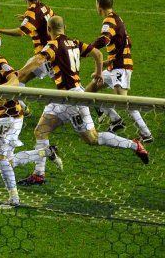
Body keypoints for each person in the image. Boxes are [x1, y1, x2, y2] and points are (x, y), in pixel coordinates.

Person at [16, 15, 149, 186]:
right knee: (41, 131)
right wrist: (99, 73)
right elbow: (98, 54)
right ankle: (38, 174)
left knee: (92, 139)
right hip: (68, 97)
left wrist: (19, 73)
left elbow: (38, 59)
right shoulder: (76, 43)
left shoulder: (53, 45)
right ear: (64, 27)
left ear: (49, 30)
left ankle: (134, 145)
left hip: (72, 99)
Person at [0, 31, 63, 209]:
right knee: (8, 160)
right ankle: (46, 152)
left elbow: (14, 79)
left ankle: (14, 199)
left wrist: (2, 92)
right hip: (4, 115)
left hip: (10, 116)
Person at [89, 0, 153, 143]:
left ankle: (146, 133)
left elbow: (104, 39)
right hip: (115, 66)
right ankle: (115, 119)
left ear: (99, 5)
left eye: (96, 4)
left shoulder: (109, 21)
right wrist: (108, 61)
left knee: (124, 101)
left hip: (120, 68)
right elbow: (127, 42)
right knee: (89, 91)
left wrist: (88, 48)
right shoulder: (118, 19)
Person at [0, 0, 55, 85]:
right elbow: (51, 21)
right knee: (21, 79)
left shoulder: (32, 12)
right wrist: (28, 19)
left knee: (17, 80)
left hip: (44, 56)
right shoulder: (45, 7)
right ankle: (16, 101)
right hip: (51, 52)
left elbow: (20, 32)